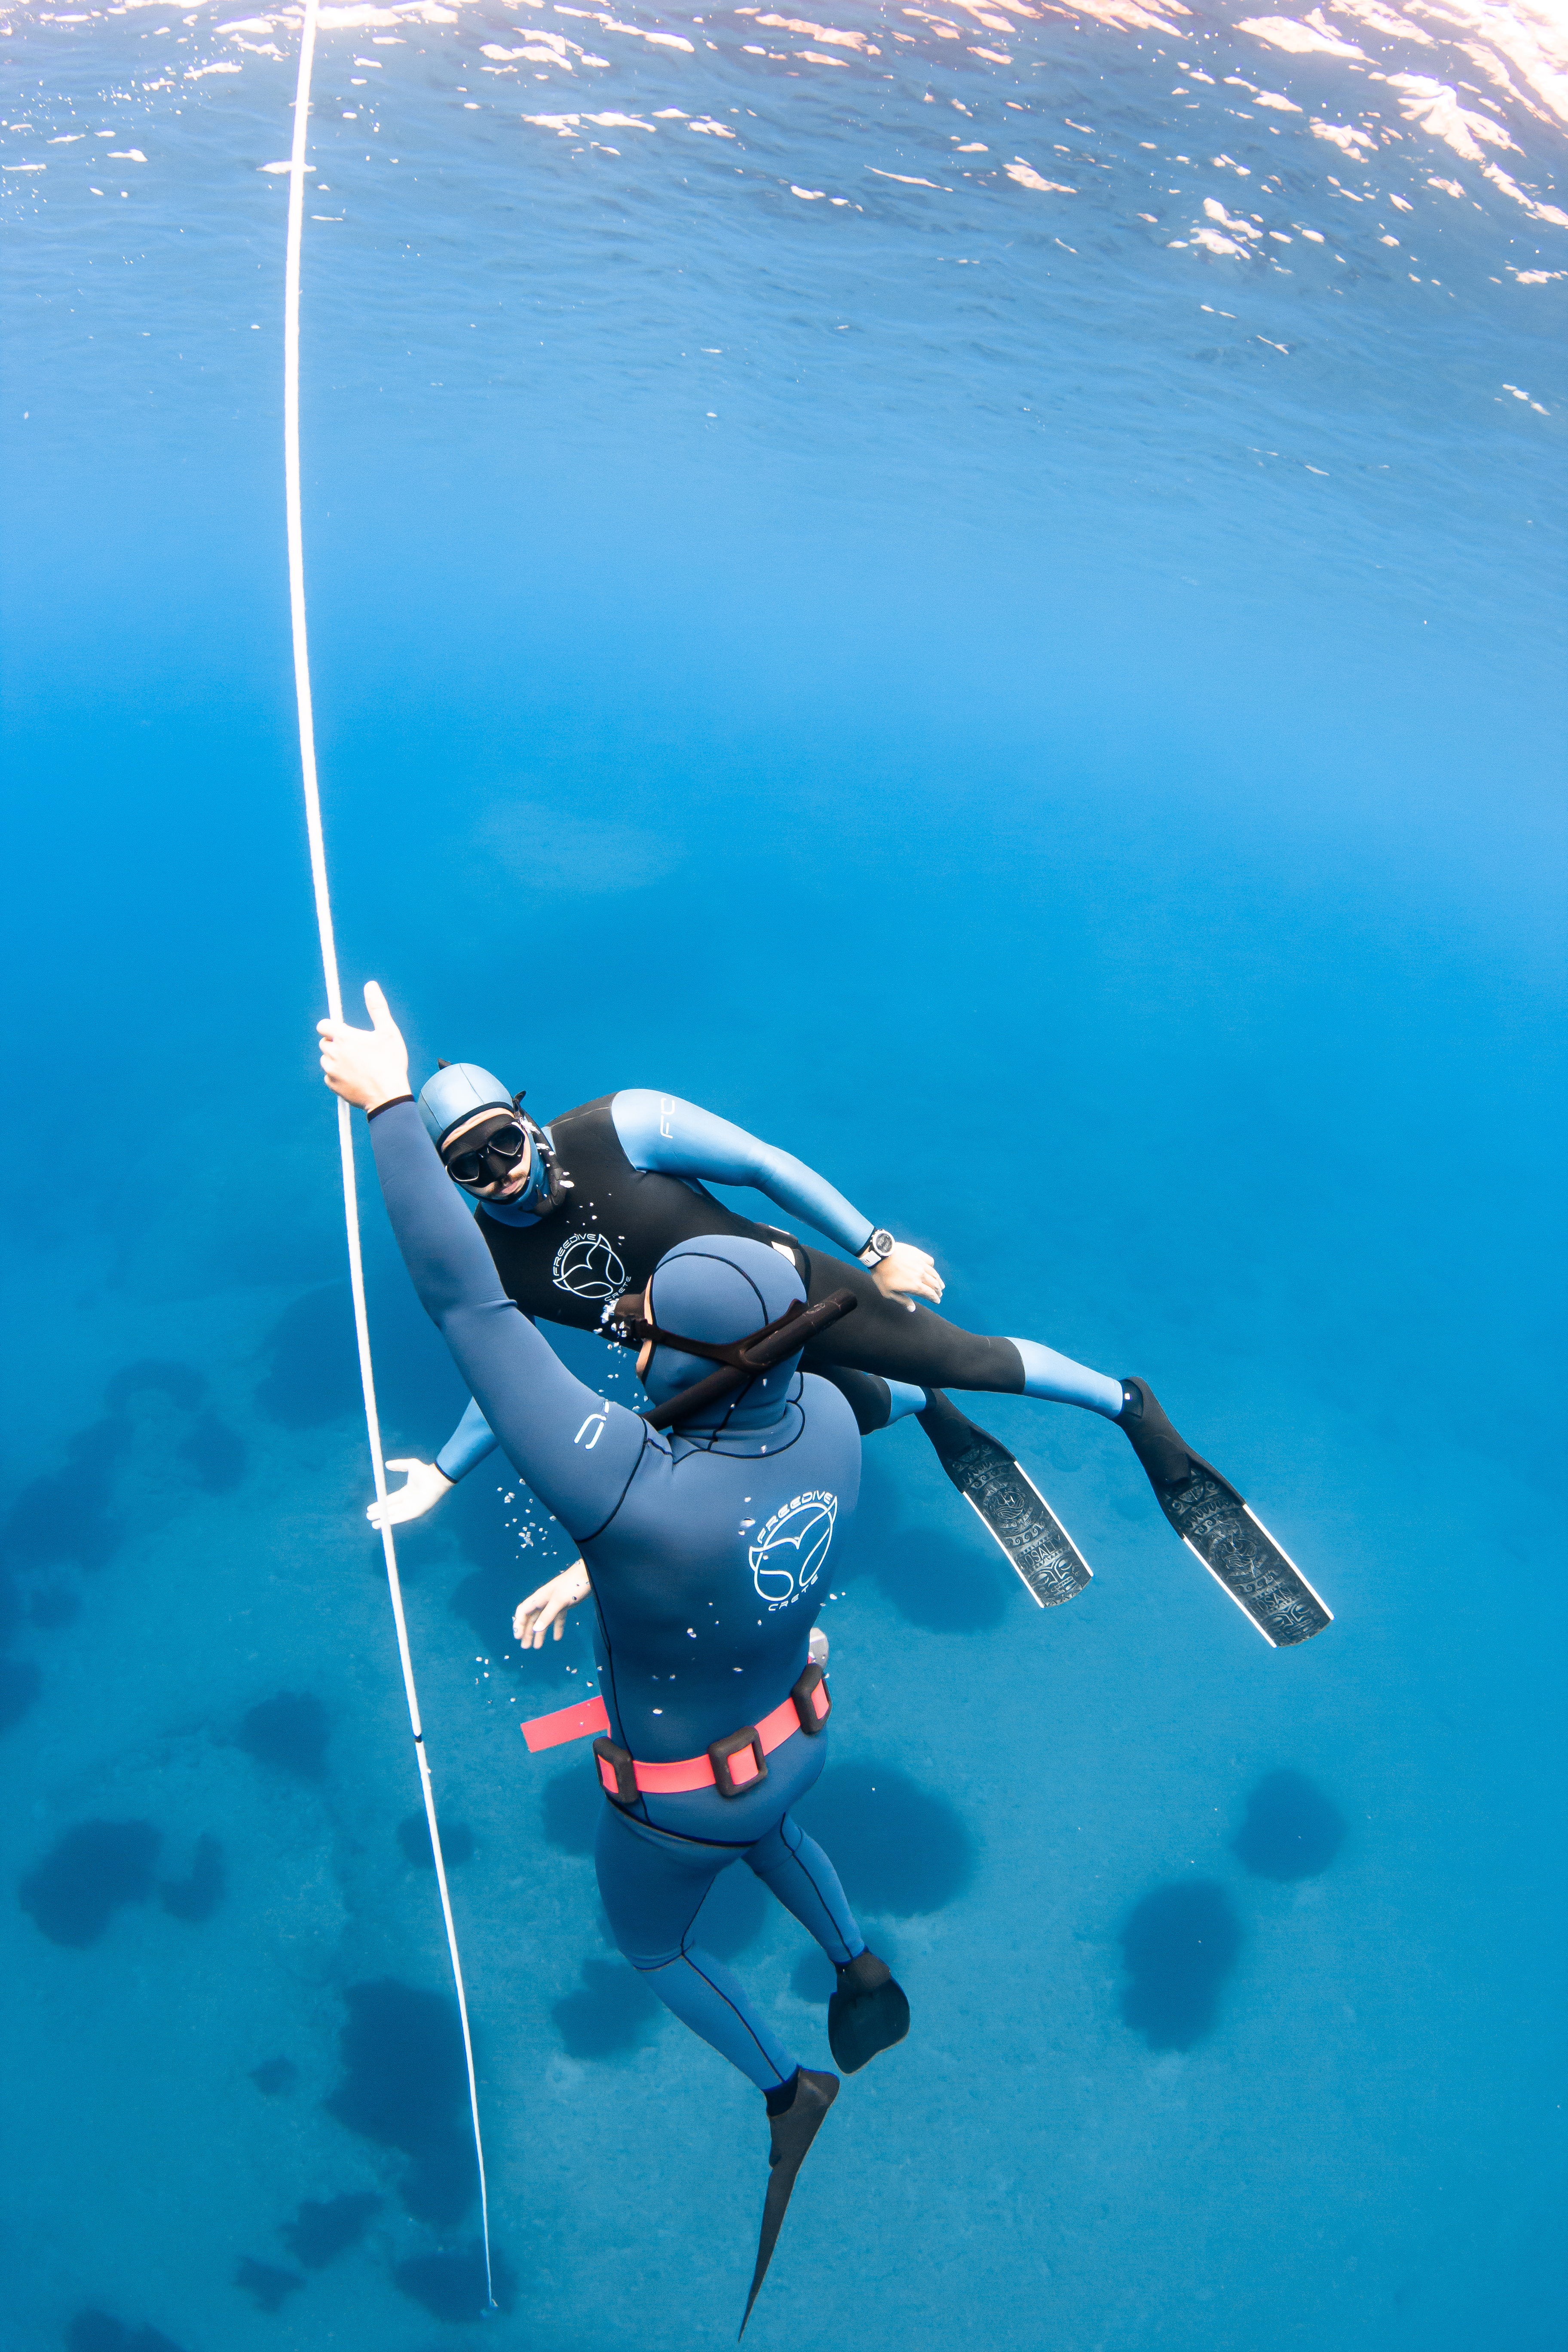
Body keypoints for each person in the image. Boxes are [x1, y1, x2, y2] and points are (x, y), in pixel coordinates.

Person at [319, 985, 911, 2330]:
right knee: (770, 1831)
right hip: (800, 1733)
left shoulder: (628, 1487)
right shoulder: (828, 1414)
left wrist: (390, 1111)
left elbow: (472, 1312)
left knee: (654, 1947)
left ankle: (785, 2087)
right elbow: (712, 1492)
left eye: (647, 1325)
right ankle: (857, 1963)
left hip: (685, 1800)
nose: (626, 1333)